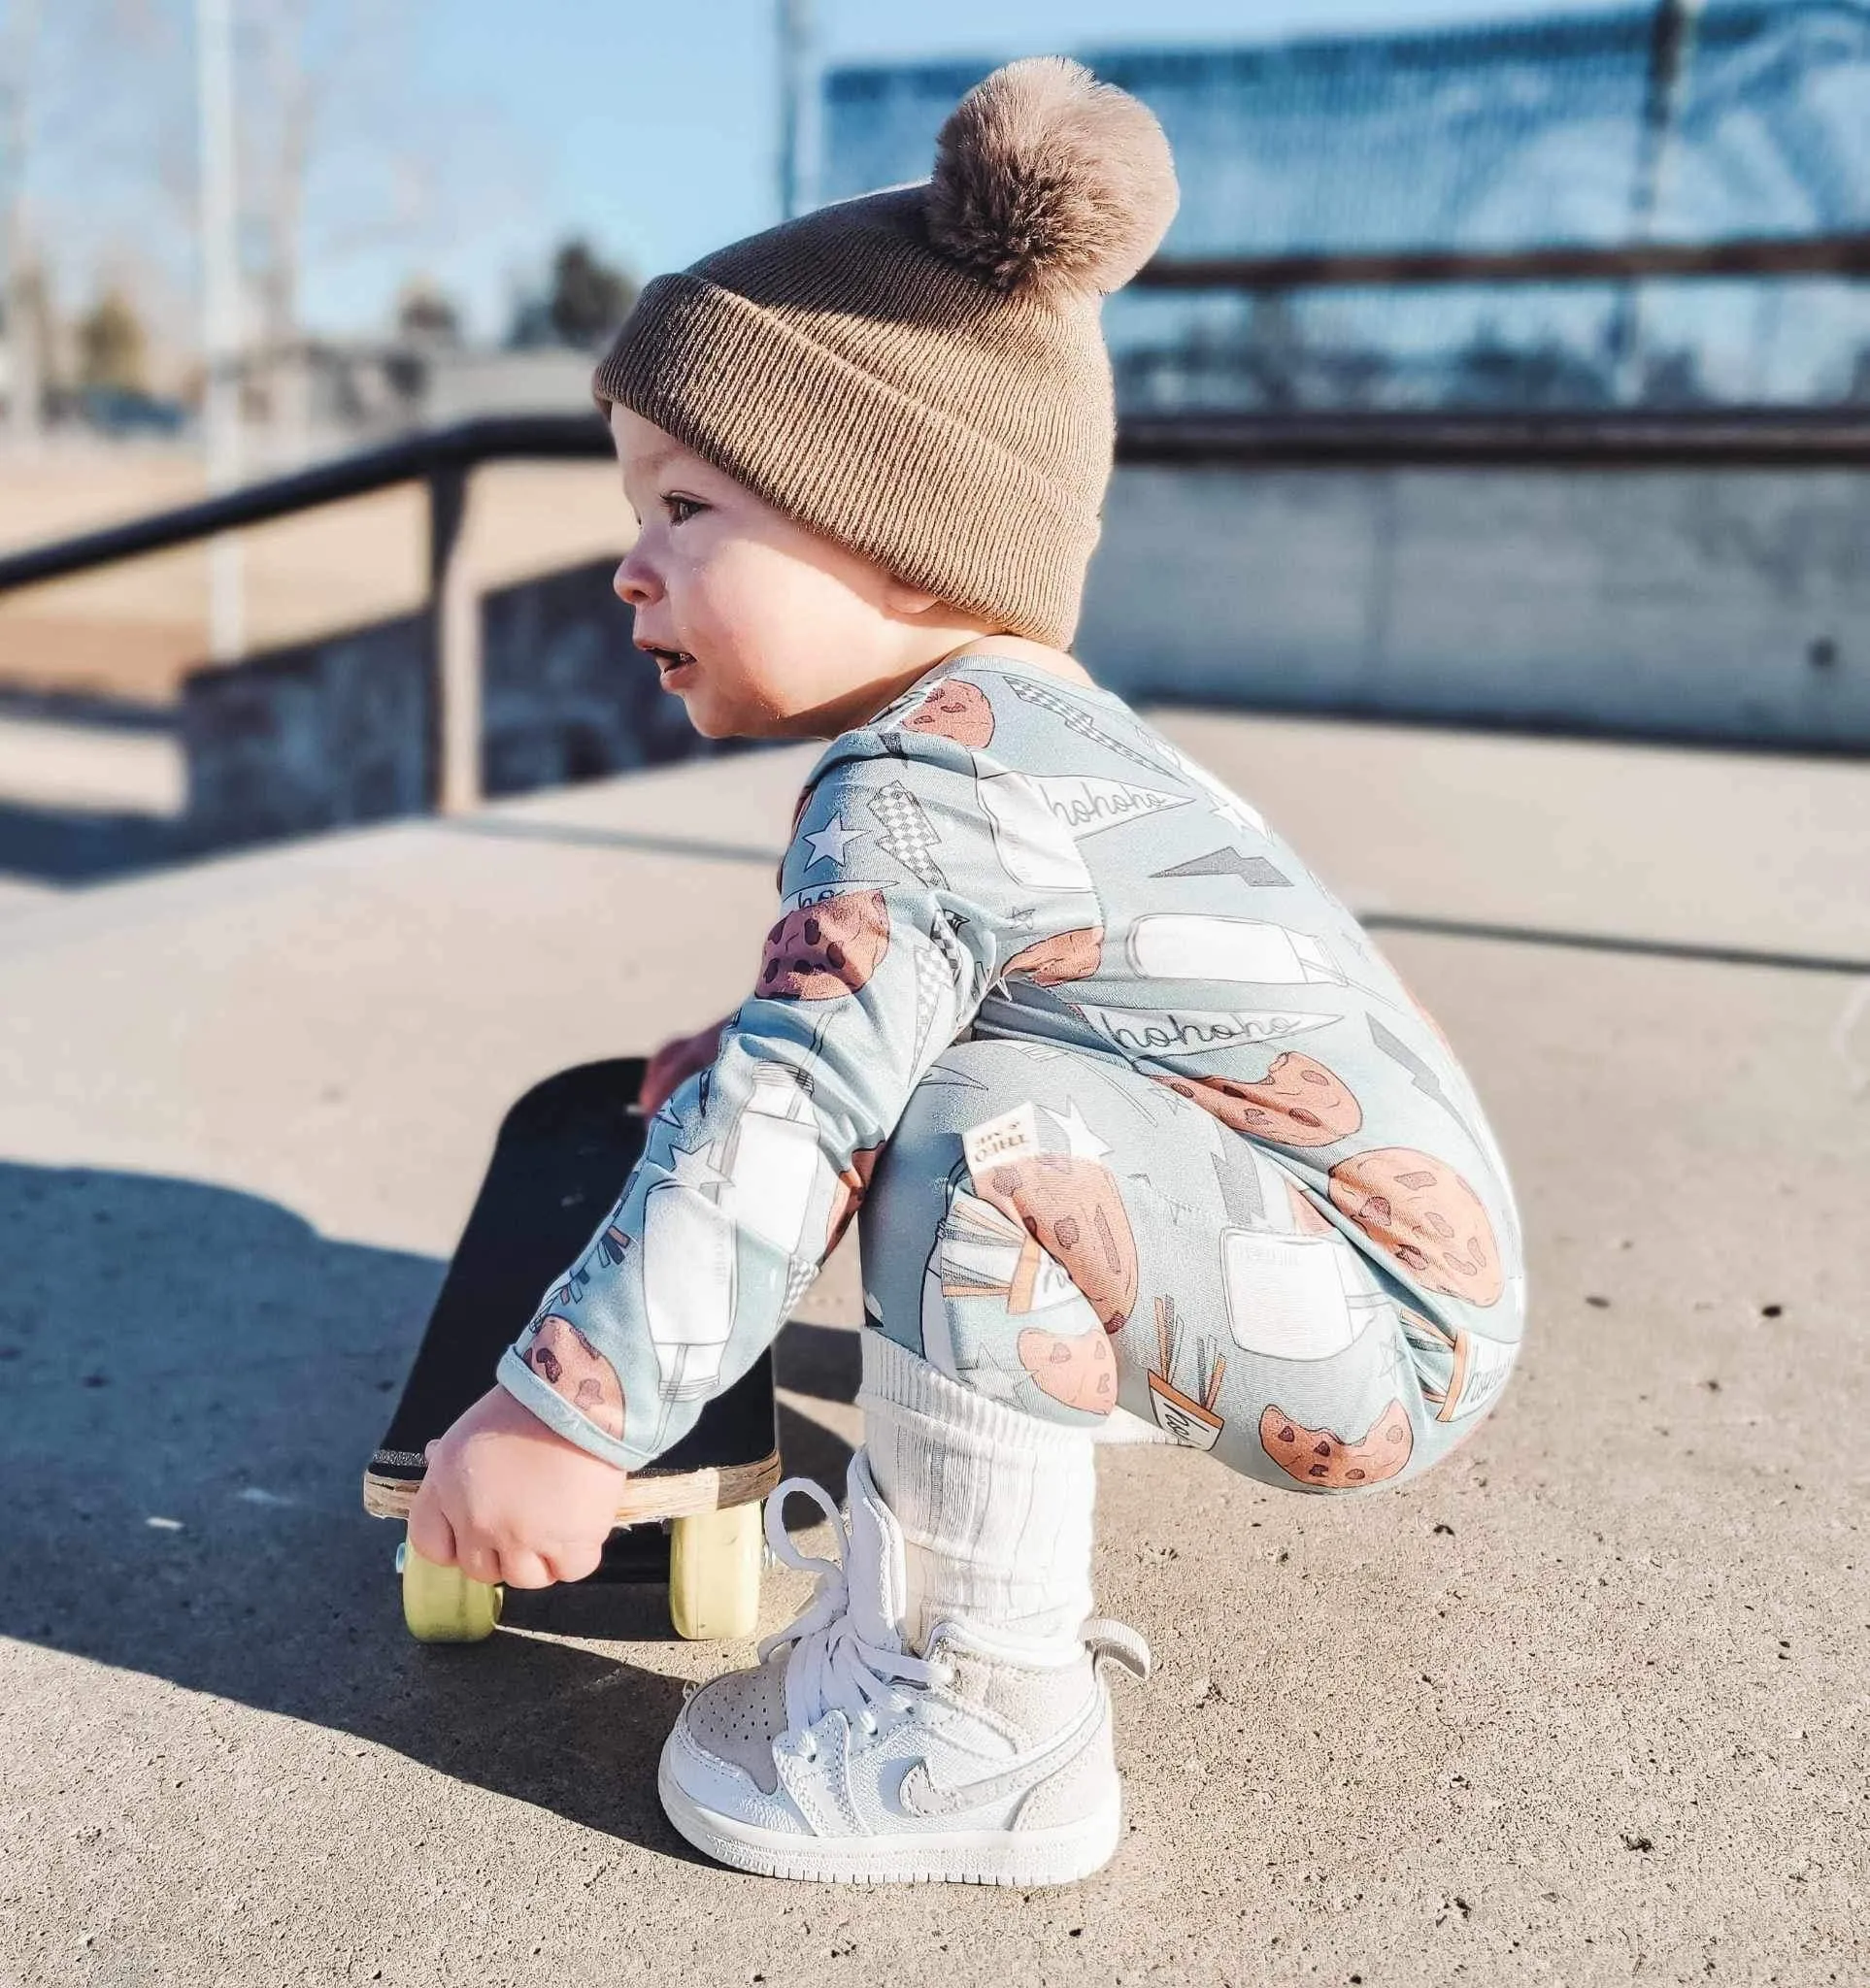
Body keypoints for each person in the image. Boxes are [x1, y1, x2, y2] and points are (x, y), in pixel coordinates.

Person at [409, 55, 1525, 1887]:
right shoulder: (1028, 734)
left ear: (899, 528)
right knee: (947, 1104)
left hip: (1364, 1329)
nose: (629, 570)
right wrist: (752, 1040)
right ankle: (1014, 1471)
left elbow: (801, 1109)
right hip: (1348, 1265)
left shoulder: (923, 778)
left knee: (978, 1143)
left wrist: (562, 1410)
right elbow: (966, 1003)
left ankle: (977, 1724)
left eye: (686, 509)